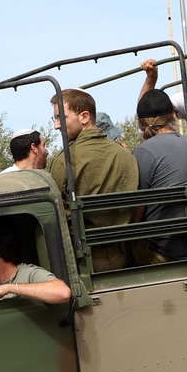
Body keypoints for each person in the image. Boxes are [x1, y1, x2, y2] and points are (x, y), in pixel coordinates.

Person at [48, 89, 139, 271]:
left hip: (82, 262)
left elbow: (57, 215)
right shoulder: (126, 156)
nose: (57, 126)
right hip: (122, 256)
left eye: (61, 118)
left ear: (84, 116)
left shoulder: (63, 160)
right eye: (55, 119)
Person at [128, 89, 187, 265]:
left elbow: (137, 215)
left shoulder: (144, 152)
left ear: (141, 122)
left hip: (164, 252)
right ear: (173, 116)